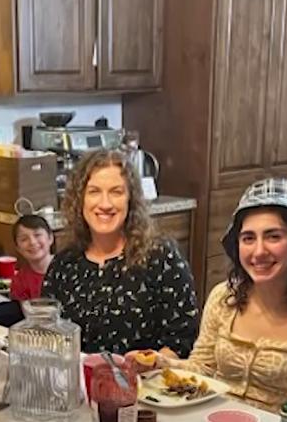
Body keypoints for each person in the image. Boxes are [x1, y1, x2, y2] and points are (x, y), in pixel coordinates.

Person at [146, 179, 287, 422]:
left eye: (273, 236)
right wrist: (159, 363)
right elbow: (201, 368)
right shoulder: (223, 297)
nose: (259, 251)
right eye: (248, 238)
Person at [41, 149, 199, 355]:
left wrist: (148, 366)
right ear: (79, 200)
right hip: (77, 383)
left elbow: (182, 338)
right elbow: (47, 333)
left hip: (145, 383)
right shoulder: (64, 264)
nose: (105, 204)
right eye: (94, 191)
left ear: (130, 199)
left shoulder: (161, 256)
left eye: (116, 192)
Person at [10, 213, 54, 302]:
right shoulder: (20, 281)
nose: (32, 242)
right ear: (18, 248)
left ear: (50, 238)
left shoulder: (69, 268)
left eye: (37, 235)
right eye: (24, 239)